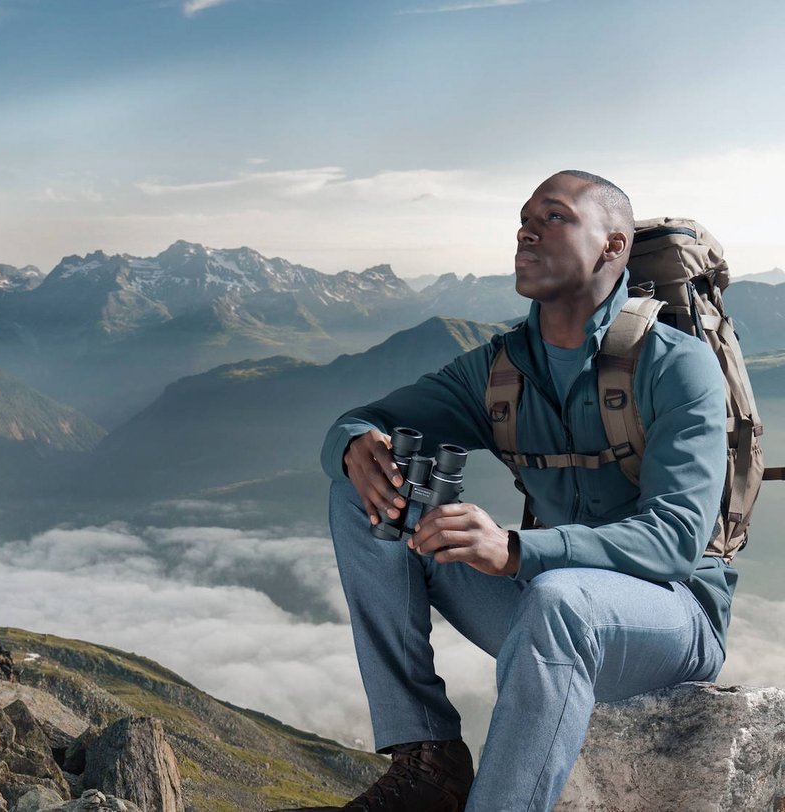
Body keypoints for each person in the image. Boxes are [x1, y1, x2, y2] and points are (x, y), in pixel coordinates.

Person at [306, 171, 730, 811]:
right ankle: (429, 760)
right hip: (545, 608)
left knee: (560, 599)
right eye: (524, 218)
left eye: (554, 217)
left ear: (612, 246)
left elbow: (673, 541)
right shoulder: (499, 370)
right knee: (362, 497)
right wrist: (352, 444)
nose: (526, 230)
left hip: (672, 622)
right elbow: (367, 419)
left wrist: (515, 550)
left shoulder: (674, 364)